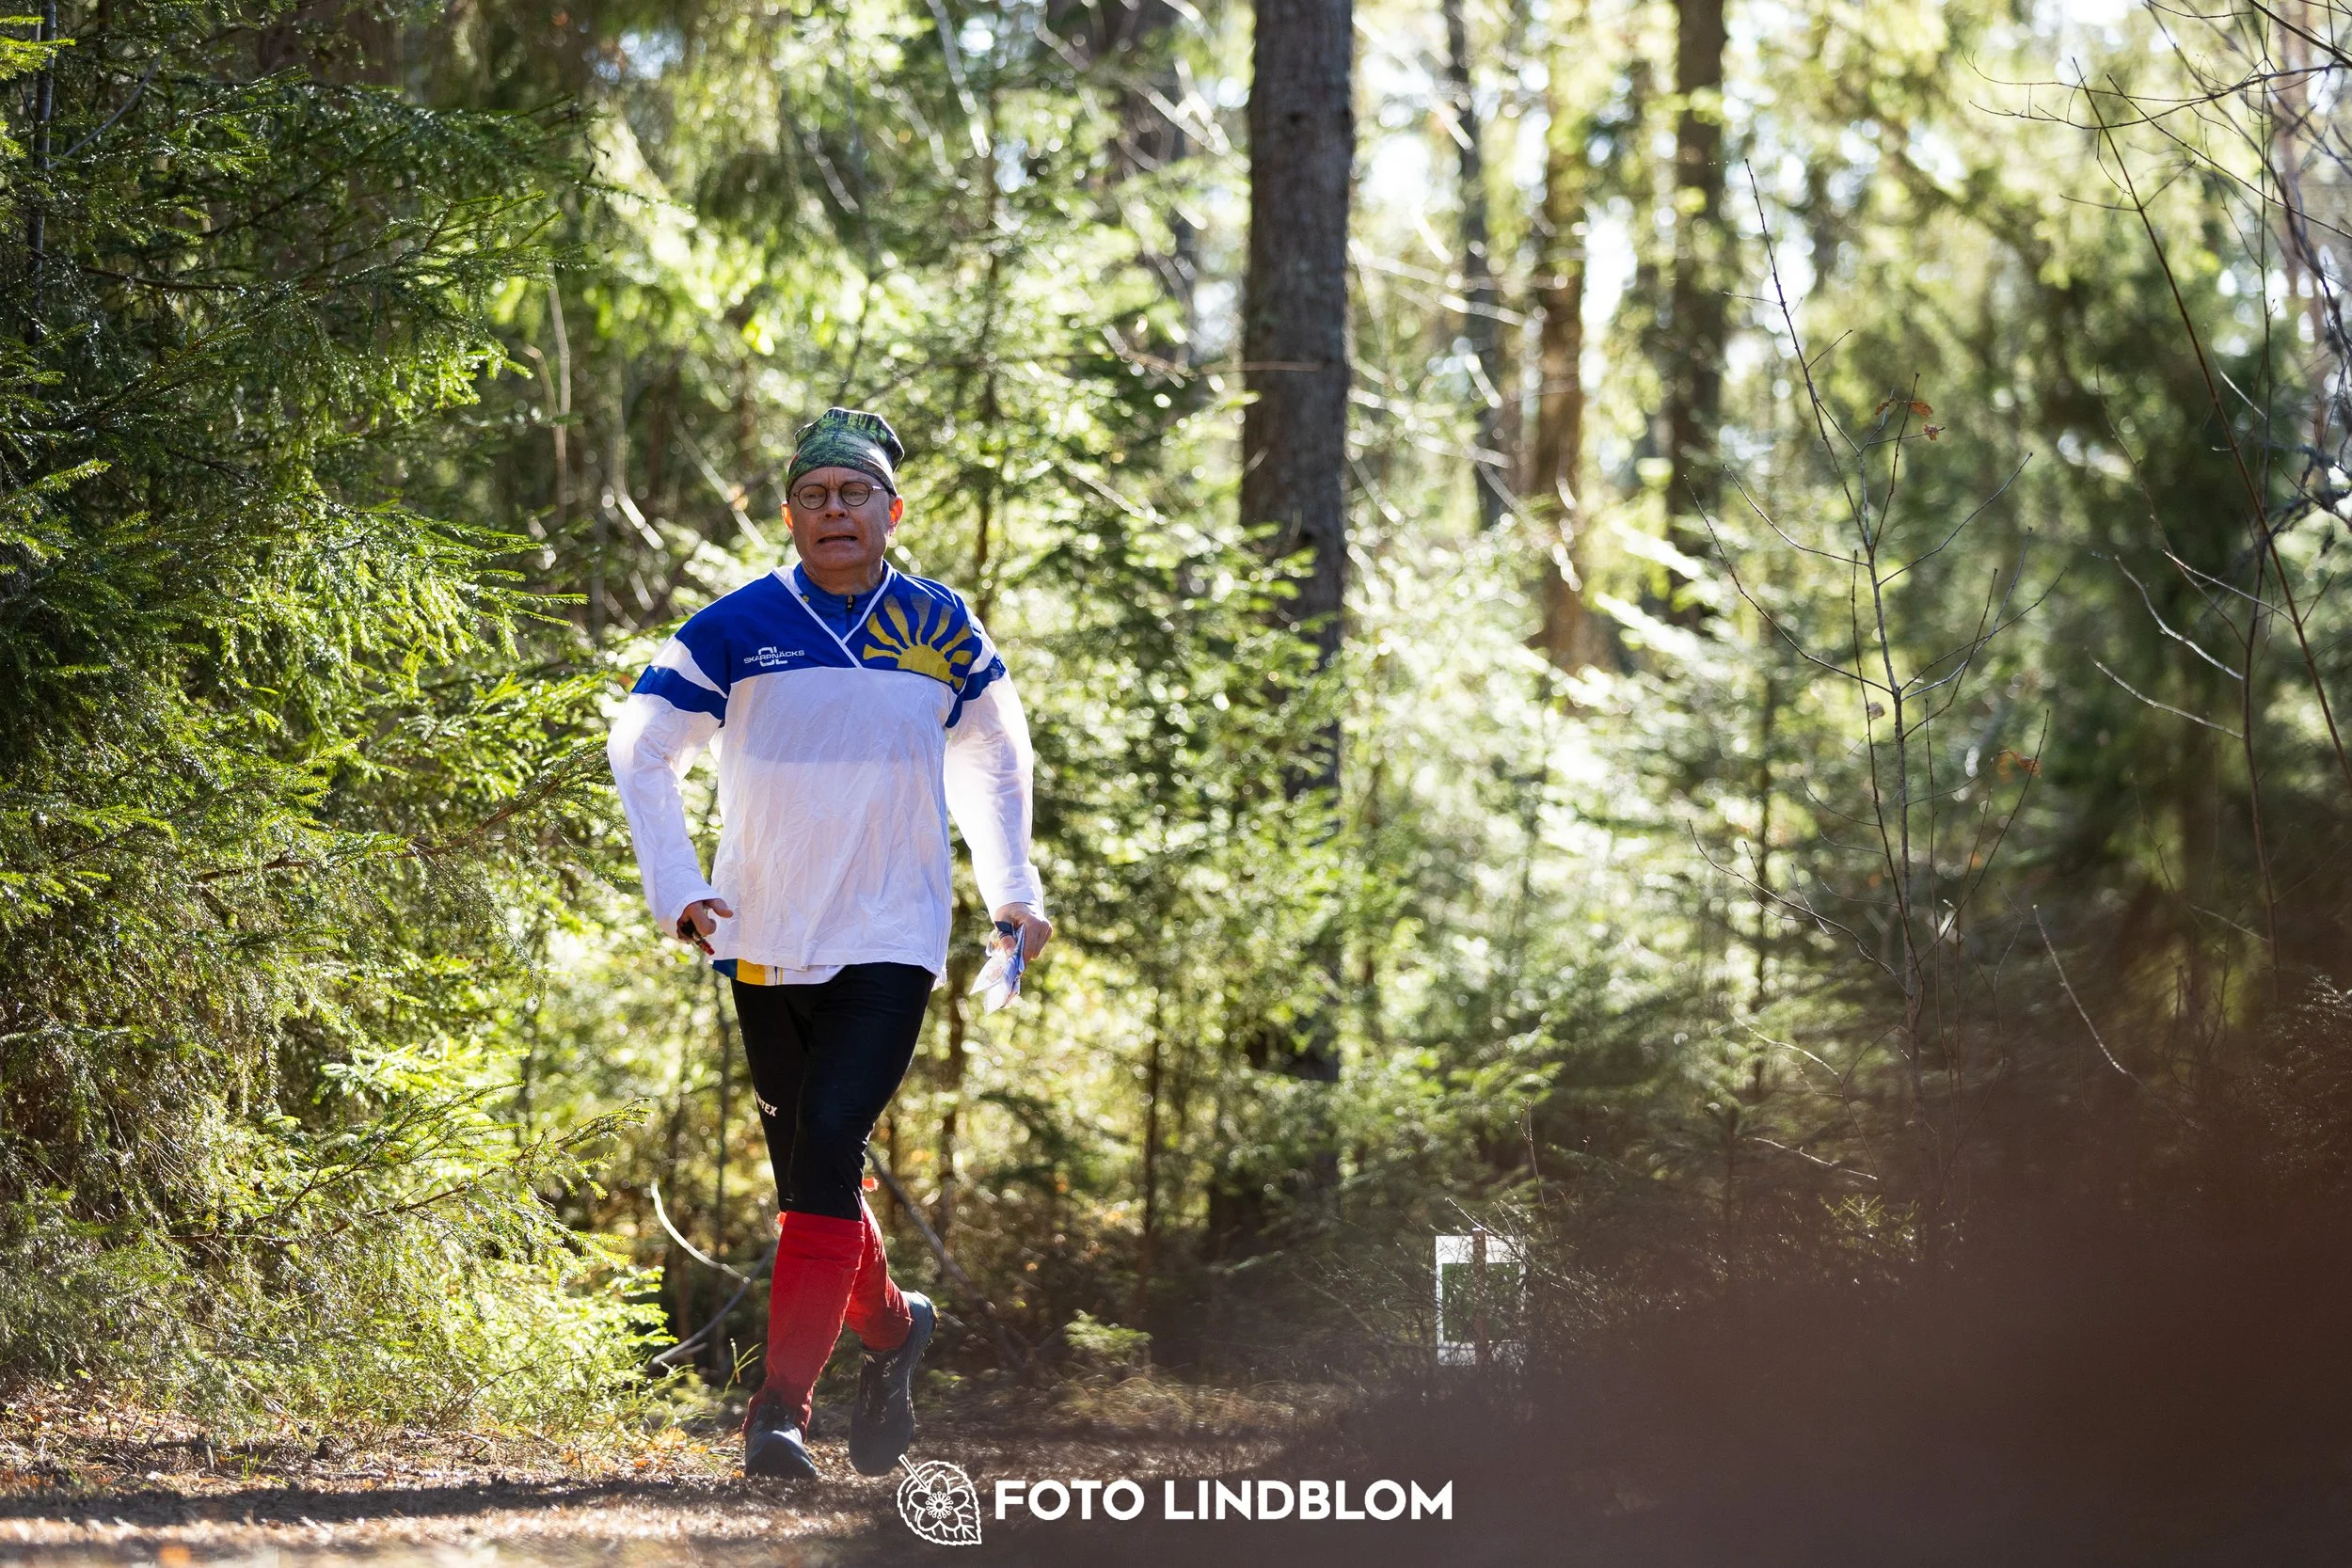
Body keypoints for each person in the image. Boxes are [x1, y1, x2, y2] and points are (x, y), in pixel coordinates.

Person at [606, 406, 1053, 1481]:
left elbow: (995, 755)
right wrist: (677, 885)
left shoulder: (942, 626)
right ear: (791, 514)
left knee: (832, 1138)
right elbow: (642, 742)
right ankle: (896, 1331)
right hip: (762, 935)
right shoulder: (735, 623)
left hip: (892, 934)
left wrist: (1013, 890)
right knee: (814, 1170)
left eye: (854, 493)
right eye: (814, 495)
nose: (834, 510)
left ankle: (778, 1414)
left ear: (891, 511)